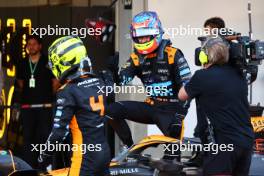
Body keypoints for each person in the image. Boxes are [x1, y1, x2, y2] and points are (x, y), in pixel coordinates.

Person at [106, 11, 191, 161]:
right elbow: (123, 81)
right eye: (140, 36)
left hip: (171, 112)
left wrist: (179, 116)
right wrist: (113, 73)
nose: (143, 39)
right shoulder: (136, 57)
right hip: (150, 106)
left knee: (172, 161)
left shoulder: (173, 54)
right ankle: (131, 150)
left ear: (156, 32)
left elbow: (189, 87)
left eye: (146, 35)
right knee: (111, 110)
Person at [178, 36, 254, 176]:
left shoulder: (202, 76)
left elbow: (181, 95)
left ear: (204, 56)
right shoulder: (239, 75)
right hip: (246, 141)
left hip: (223, 144)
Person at [38, 36, 111, 176]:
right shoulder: (99, 82)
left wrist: (44, 155)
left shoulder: (67, 91)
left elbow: (59, 132)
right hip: (104, 152)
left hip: (85, 157)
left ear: (64, 62)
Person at [16, 35, 59, 169]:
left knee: (45, 136)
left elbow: (55, 82)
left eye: (34, 44)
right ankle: (29, 166)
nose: (31, 46)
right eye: (29, 44)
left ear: (40, 46)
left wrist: (45, 95)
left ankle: (45, 165)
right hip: (27, 107)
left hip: (45, 106)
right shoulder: (22, 63)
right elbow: (21, 82)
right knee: (28, 137)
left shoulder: (48, 62)